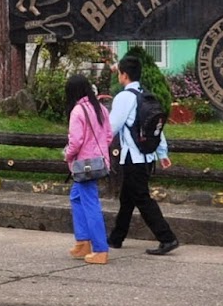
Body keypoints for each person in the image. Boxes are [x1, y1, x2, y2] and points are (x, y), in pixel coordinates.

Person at [107, 55, 179, 256]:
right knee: (127, 198)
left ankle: (167, 238)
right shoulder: (145, 94)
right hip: (147, 157)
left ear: (124, 75)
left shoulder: (124, 97)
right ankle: (116, 238)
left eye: (120, 72)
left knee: (141, 198)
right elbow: (156, 128)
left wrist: (95, 144)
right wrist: (161, 152)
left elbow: (112, 127)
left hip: (133, 157)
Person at [61, 73, 112, 264]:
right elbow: (108, 136)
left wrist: (67, 155)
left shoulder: (77, 111)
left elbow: (75, 141)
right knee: (76, 197)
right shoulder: (100, 108)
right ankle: (83, 242)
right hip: (98, 162)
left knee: (90, 203)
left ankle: (100, 249)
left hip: (84, 166)